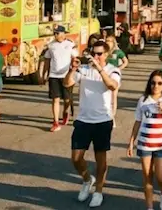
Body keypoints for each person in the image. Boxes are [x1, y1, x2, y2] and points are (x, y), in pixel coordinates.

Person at [64, 39, 121, 208]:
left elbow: (112, 86)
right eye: (93, 53)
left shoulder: (113, 70)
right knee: (76, 158)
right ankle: (87, 180)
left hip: (103, 120)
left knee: (101, 159)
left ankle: (99, 191)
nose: (95, 56)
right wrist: (72, 69)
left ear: (106, 55)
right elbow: (67, 83)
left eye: (99, 54)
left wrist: (99, 69)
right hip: (83, 120)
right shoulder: (84, 69)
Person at [127, 70, 162, 210]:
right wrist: (131, 142)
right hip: (145, 143)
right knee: (146, 175)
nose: (155, 86)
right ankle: (149, 206)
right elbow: (137, 122)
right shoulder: (143, 100)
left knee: (160, 175)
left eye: (159, 83)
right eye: (153, 83)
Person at [42, 25, 78, 132]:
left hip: (66, 76)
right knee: (55, 99)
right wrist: (44, 74)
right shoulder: (51, 46)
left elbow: (75, 58)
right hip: (54, 75)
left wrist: (74, 71)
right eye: (55, 33)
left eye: (58, 33)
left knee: (67, 99)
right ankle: (56, 122)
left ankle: (65, 112)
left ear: (63, 34)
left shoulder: (70, 44)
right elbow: (47, 61)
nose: (56, 35)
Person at [105, 34, 128, 126]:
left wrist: (119, 68)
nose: (107, 42)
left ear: (113, 42)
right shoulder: (105, 52)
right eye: (106, 40)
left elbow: (125, 62)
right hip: (105, 76)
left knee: (113, 97)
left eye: (109, 41)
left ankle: (112, 117)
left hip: (114, 76)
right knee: (106, 96)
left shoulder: (118, 52)